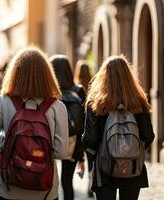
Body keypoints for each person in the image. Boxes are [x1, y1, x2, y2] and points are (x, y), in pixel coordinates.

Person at [0, 47, 69, 200]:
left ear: (15, 73)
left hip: (9, 188)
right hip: (45, 190)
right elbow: (61, 152)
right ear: (47, 75)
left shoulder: (4, 101)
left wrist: (9, 144)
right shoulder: (57, 107)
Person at [82, 55, 155, 200]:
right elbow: (148, 135)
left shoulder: (95, 103)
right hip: (133, 168)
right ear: (129, 76)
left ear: (103, 76)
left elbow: (91, 140)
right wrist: (130, 149)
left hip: (105, 169)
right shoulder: (139, 101)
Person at [50, 55, 85, 200]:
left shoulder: (48, 91)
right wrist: (81, 155)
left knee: (50, 182)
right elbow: (83, 125)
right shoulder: (78, 91)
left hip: (49, 140)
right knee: (67, 182)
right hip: (73, 142)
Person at [73, 60, 94, 197]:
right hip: (91, 128)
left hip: (79, 130)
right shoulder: (93, 87)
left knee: (80, 158)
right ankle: (91, 183)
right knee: (91, 158)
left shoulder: (76, 89)